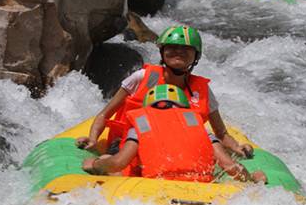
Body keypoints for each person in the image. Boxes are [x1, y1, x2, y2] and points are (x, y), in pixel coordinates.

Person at [75, 25, 252, 160]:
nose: (178, 52)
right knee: (112, 160)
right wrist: (93, 139)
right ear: (162, 52)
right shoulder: (142, 77)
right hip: (130, 142)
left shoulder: (203, 90)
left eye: (185, 49)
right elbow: (104, 114)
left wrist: (237, 148)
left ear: (195, 56)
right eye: (172, 48)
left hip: (176, 147)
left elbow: (221, 133)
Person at [82, 84, 266, 184]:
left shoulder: (140, 126)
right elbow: (230, 166)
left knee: (109, 159)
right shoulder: (200, 129)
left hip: (154, 189)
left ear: (148, 107)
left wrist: (95, 164)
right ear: (184, 108)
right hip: (199, 189)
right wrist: (252, 179)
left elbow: (117, 163)